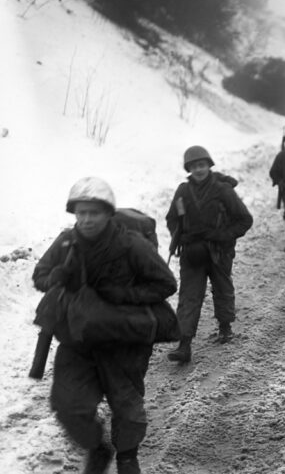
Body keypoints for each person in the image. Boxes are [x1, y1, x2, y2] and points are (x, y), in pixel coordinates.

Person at [32, 177, 178, 474]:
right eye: (81, 213)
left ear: (108, 213)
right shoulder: (65, 242)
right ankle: (98, 449)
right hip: (78, 339)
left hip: (123, 340)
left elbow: (166, 284)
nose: (86, 220)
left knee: (126, 406)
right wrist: (56, 276)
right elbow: (40, 276)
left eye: (93, 213)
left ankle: (127, 457)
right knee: (68, 404)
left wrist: (124, 295)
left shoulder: (131, 245)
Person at [166, 146, 253, 364]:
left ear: (209, 165)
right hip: (192, 252)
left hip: (219, 251)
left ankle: (225, 327)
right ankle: (184, 344)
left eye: (202, 165)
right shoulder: (183, 192)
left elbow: (244, 220)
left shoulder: (223, 190)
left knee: (222, 288)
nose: (198, 169)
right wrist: (180, 237)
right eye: (194, 166)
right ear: (189, 168)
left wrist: (221, 235)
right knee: (189, 296)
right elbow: (172, 219)